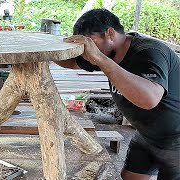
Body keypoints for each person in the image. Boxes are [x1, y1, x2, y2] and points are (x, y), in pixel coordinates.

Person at [55, 8, 180, 180]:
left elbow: (149, 99)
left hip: (176, 137)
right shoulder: (108, 52)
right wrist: (45, 48)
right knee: (130, 176)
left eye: (90, 43)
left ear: (110, 33)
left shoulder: (149, 52)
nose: (88, 50)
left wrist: (100, 59)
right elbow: (70, 62)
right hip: (147, 132)